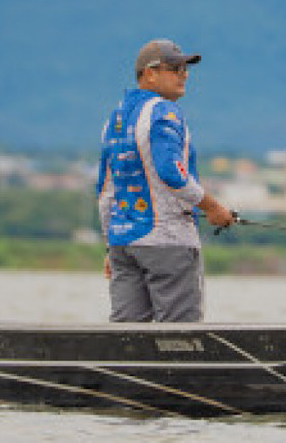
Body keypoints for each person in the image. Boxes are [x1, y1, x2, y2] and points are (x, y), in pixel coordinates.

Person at [94, 39, 236, 322]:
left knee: (128, 333)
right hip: (169, 242)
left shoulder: (115, 119)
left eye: (185, 69)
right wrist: (213, 208)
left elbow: (106, 191)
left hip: (123, 243)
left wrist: (110, 246)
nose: (184, 75)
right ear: (149, 74)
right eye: (175, 68)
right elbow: (171, 171)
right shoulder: (164, 111)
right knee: (180, 332)